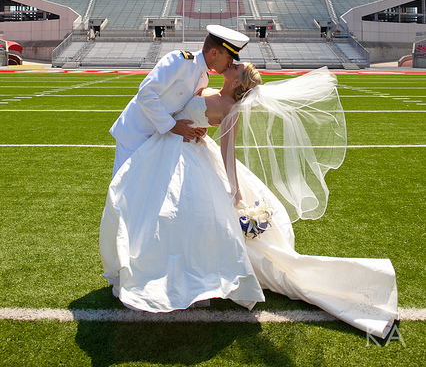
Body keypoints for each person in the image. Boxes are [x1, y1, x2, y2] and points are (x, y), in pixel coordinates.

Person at [100, 66, 398, 339]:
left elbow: (228, 152)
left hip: (192, 156)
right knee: (158, 210)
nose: (230, 65)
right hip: (172, 149)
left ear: (236, 82)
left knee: (181, 215)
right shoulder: (205, 84)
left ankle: (186, 273)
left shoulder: (230, 109)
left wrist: (235, 192)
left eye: (235, 68)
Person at [109, 24, 250, 177]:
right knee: (126, 193)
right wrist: (173, 126)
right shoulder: (179, 61)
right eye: (229, 57)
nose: (231, 63)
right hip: (135, 134)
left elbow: (182, 109)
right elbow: (146, 94)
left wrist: (195, 127)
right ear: (215, 53)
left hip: (158, 141)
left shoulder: (204, 78)